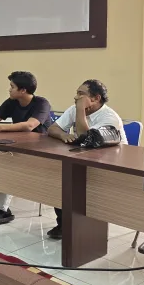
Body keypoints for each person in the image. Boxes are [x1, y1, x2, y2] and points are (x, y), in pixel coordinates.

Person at [46, 79, 127, 239]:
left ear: (96, 98)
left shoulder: (109, 116)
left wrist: (80, 109)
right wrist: (63, 135)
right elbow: (52, 128)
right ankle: (64, 224)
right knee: (60, 178)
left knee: (76, 185)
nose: (76, 97)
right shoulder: (75, 108)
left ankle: (81, 227)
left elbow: (87, 138)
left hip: (110, 165)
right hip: (85, 158)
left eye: (81, 94)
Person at [0, 71, 52, 226]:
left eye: (12, 87)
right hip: (18, 146)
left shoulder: (42, 103)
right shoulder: (11, 102)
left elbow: (30, 125)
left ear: (23, 90)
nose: (9, 89)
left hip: (41, 151)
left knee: (8, 164)